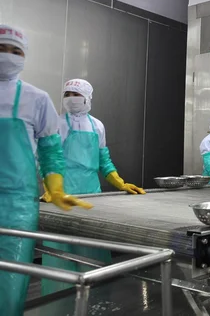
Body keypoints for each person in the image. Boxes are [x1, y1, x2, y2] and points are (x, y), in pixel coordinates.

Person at [0, 24, 92, 316]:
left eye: (15, 51)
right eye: (2, 48)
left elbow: (50, 149)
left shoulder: (36, 98)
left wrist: (55, 188)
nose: (7, 55)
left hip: (17, 205)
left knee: (10, 282)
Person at [41, 78, 146, 295]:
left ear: (88, 97)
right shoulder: (56, 123)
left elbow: (103, 160)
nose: (71, 99)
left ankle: (97, 296)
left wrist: (120, 183)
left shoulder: (97, 125)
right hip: (63, 192)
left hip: (92, 193)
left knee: (93, 244)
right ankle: (60, 299)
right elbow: (47, 159)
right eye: (67, 94)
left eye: (76, 94)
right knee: (63, 248)